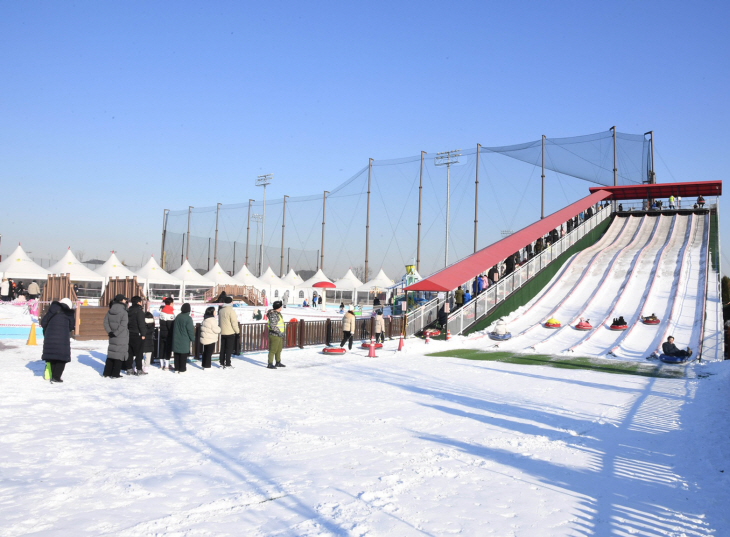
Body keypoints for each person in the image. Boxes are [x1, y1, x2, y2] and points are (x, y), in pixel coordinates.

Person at [41, 297, 75, 383]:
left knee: (52, 356)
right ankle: (56, 377)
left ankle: (52, 375)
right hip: (62, 338)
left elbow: (43, 322)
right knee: (62, 358)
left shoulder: (52, 309)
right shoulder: (69, 313)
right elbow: (71, 327)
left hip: (49, 336)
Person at [103, 295, 129, 378]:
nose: (125, 301)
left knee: (111, 353)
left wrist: (110, 332)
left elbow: (105, 323)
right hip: (121, 336)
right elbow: (123, 325)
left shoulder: (110, 310)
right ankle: (115, 373)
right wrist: (116, 333)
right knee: (119, 355)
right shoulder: (124, 312)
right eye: (125, 299)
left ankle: (107, 372)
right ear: (121, 300)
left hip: (112, 335)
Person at [126, 296, 147, 375]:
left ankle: (129, 369)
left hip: (129, 333)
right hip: (137, 334)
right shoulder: (139, 311)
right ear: (138, 302)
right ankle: (139, 370)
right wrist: (143, 334)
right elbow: (141, 324)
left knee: (129, 352)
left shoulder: (128, 310)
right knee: (139, 353)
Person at [172, 303, 195, 373]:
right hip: (184, 339)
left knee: (176, 354)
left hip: (176, 338)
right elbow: (190, 330)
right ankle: (182, 369)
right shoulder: (188, 318)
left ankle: (176, 368)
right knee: (183, 355)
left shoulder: (178, 316)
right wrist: (192, 338)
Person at [218, 296, 239, 369]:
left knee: (223, 348)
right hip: (230, 332)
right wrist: (237, 331)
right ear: (231, 302)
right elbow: (234, 323)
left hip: (222, 331)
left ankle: (221, 362)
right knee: (229, 349)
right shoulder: (231, 311)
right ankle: (227, 364)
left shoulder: (221, 310)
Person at [266, 300, 286, 369]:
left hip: (279, 335)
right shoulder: (274, 314)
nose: (281, 308)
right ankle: (270, 363)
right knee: (273, 350)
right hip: (274, 335)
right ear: (278, 307)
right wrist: (278, 332)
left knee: (279, 349)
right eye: (280, 306)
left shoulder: (278, 313)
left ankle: (278, 362)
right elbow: (273, 325)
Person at [158, 297, 175, 370]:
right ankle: (167, 365)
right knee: (168, 349)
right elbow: (170, 325)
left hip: (162, 332)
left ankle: (161, 364)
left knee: (162, 347)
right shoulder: (170, 312)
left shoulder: (162, 311)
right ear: (171, 303)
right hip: (168, 334)